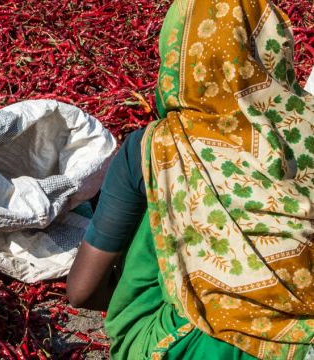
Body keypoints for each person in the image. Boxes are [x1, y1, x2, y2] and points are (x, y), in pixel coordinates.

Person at [67, 0, 314, 358]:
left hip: (188, 343)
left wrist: (188, 287)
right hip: (302, 342)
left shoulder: (153, 146)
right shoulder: (305, 131)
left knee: (163, 191)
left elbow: (82, 291)